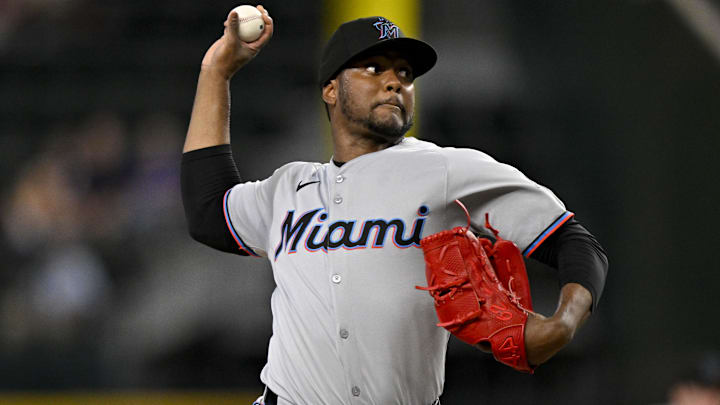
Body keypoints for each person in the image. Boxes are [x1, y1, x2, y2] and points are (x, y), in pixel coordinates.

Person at [181, 7, 608, 405]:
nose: (394, 82)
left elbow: (574, 242)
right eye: (373, 68)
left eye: (404, 73)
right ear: (331, 89)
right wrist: (215, 72)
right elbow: (208, 213)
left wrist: (564, 323)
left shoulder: (446, 169)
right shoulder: (288, 187)